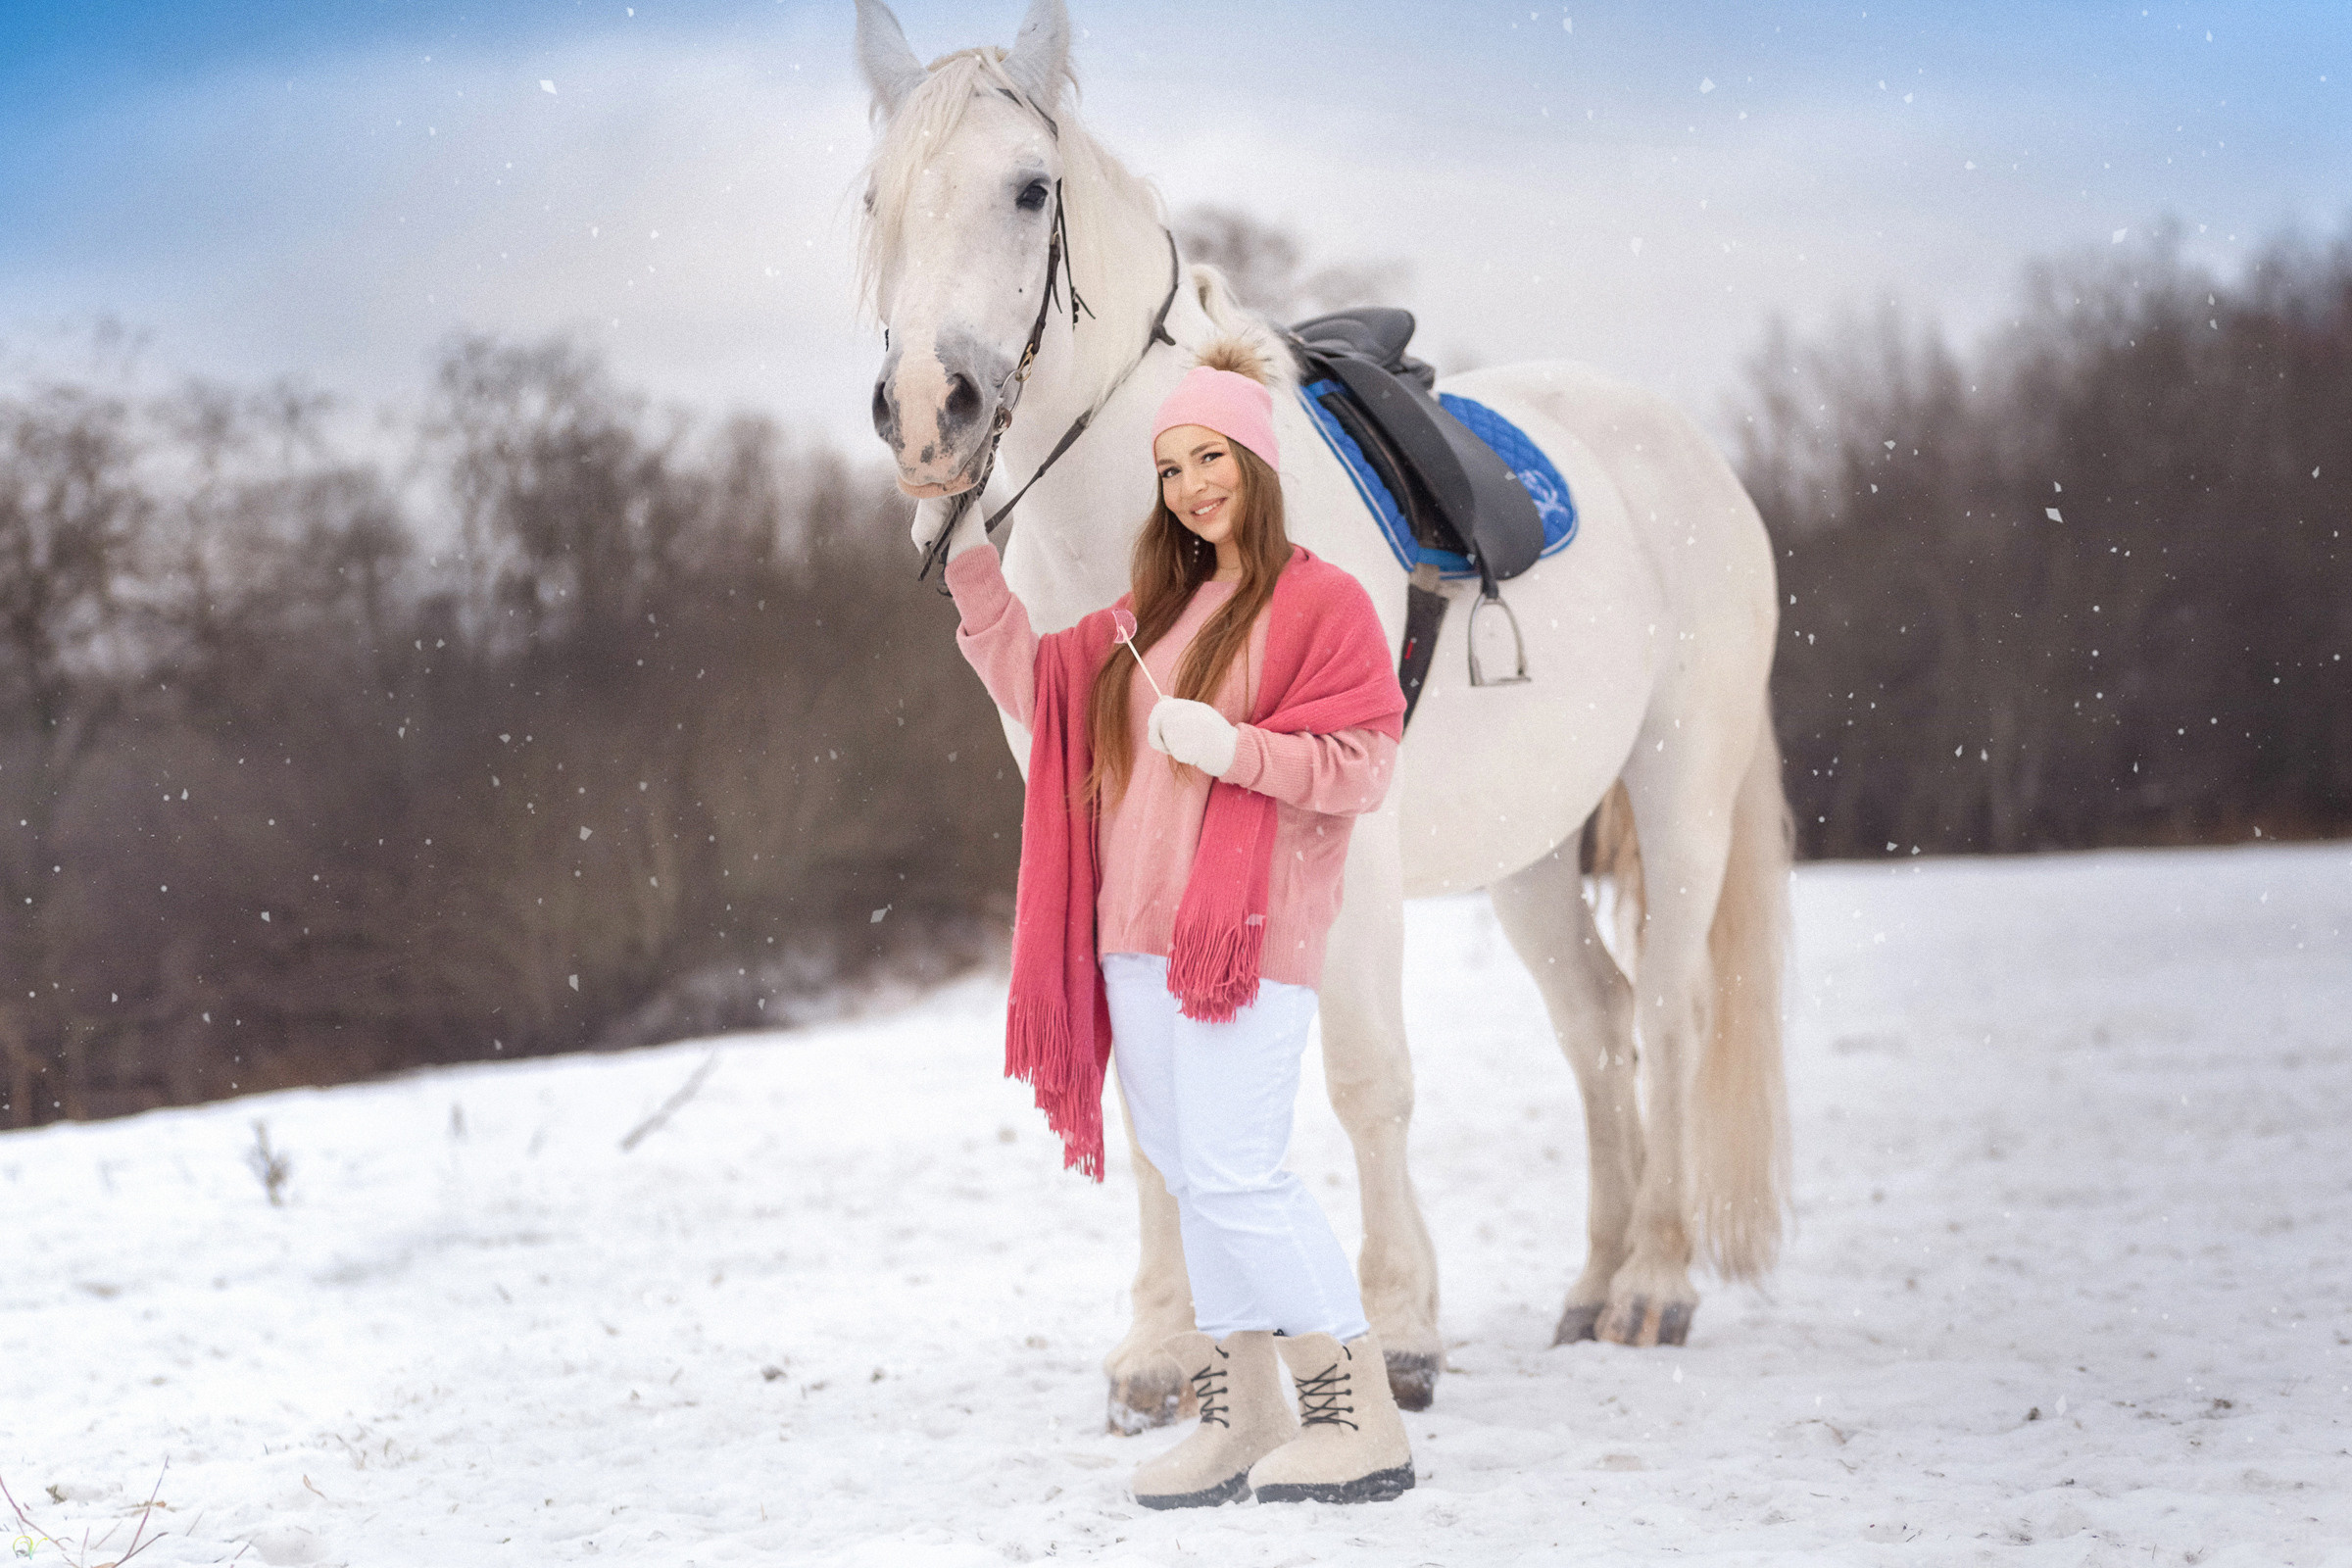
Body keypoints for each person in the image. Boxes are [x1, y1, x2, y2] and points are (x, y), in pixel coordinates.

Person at [935, 339, 1417, 1508]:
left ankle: (1359, 1416)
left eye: (1212, 456)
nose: (1194, 485)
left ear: (1255, 460)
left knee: (1243, 1174)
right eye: (1172, 467)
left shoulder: (1325, 602)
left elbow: (1364, 762)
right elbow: (1034, 686)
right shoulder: (1147, 615)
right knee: (1195, 1182)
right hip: (1133, 945)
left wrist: (1238, 749)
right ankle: (1240, 1409)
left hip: (1242, 940)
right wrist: (967, 562)